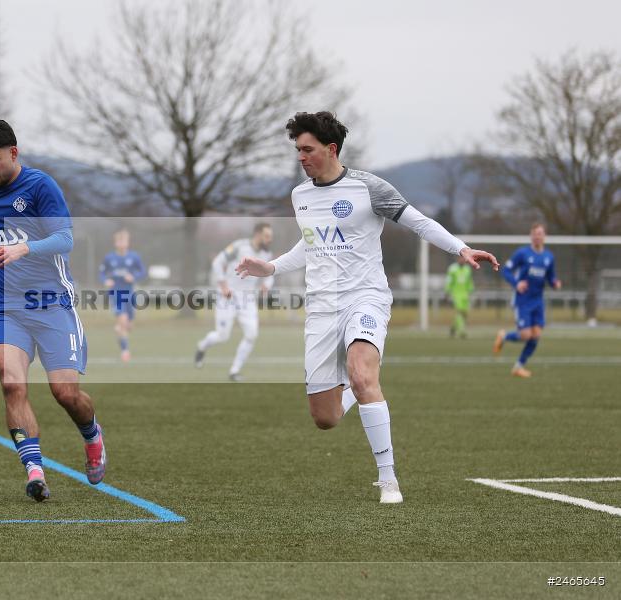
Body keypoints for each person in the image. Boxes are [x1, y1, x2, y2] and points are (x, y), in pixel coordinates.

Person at [235, 112, 498, 504]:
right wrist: (271, 266)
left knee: (361, 374)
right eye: (297, 150)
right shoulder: (300, 196)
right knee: (325, 418)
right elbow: (311, 244)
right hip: (322, 309)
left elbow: (419, 222)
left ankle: (388, 478)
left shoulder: (368, 188)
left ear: (331, 148)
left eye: (307, 149)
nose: (301, 157)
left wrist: (460, 248)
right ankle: (356, 391)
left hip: (366, 298)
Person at [0, 119, 106, 503]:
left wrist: (24, 248)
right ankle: (35, 472)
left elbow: (65, 238)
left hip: (52, 305)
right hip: (7, 309)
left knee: (65, 393)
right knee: (12, 384)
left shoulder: (41, 186)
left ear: (14, 152)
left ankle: (92, 435)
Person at [195, 223, 274, 382]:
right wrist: (223, 285)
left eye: (270, 237)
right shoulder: (239, 246)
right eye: (266, 236)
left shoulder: (266, 254)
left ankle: (234, 371)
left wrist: (267, 284)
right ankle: (202, 346)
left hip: (247, 298)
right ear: (257, 234)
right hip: (228, 296)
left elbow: (270, 272)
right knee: (222, 336)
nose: (269, 240)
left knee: (252, 334)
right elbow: (217, 262)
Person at [493, 223, 561, 378]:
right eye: (535, 233)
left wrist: (555, 283)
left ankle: (518, 367)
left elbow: (550, 277)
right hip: (522, 300)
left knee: (536, 335)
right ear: (531, 235)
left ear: (544, 236)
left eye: (540, 233)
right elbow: (506, 270)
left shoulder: (549, 257)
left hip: (538, 301)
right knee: (525, 335)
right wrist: (517, 284)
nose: (538, 236)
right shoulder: (522, 253)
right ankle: (504, 336)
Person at [99, 229, 147, 362]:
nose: (121, 243)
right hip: (116, 294)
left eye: (124, 241)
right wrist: (106, 280)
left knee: (128, 325)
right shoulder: (109, 258)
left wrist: (134, 276)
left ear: (128, 242)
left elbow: (143, 272)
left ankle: (120, 329)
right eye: (119, 241)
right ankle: (125, 351)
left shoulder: (134, 257)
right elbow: (102, 273)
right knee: (123, 320)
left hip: (130, 294)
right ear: (115, 243)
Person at [445, 255, 474, 338]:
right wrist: (447, 292)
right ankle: (462, 331)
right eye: (461, 258)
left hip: (465, 294)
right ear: (458, 259)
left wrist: (471, 291)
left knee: (464, 314)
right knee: (459, 312)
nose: (462, 260)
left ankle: (453, 327)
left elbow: (469, 282)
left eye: (463, 258)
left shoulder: (467, 269)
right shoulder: (452, 269)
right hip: (456, 294)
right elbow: (449, 281)